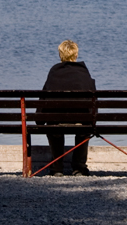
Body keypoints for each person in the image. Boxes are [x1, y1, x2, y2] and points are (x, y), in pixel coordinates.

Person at [40, 40, 95, 176]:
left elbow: (43, 99)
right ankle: (79, 167)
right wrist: (93, 121)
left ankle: (57, 168)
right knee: (84, 126)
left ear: (60, 55)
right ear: (75, 55)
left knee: (53, 125)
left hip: (56, 122)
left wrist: (39, 119)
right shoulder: (84, 73)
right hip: (81, 122)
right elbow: (93, 101)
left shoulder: (54, 71)